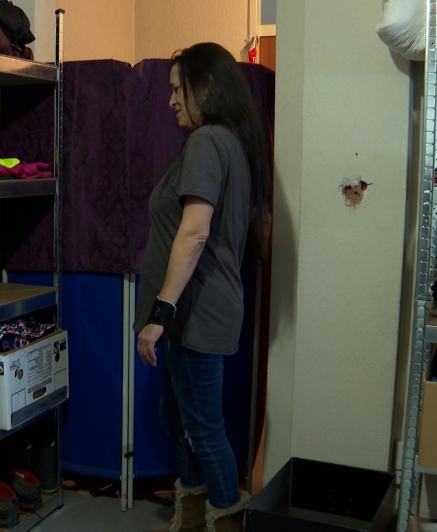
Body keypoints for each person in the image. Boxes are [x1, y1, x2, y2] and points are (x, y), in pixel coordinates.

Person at [135, 42, 271, 532]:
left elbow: (195, 232)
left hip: (195, 313)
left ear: (207, 86)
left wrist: (160, 314)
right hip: (193, 312)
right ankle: (193, 512)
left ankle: (225, 517)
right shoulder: (229, 141)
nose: (170, 100)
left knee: (203, 428)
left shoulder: (209, 142)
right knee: (178, 417)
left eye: (178, 89)